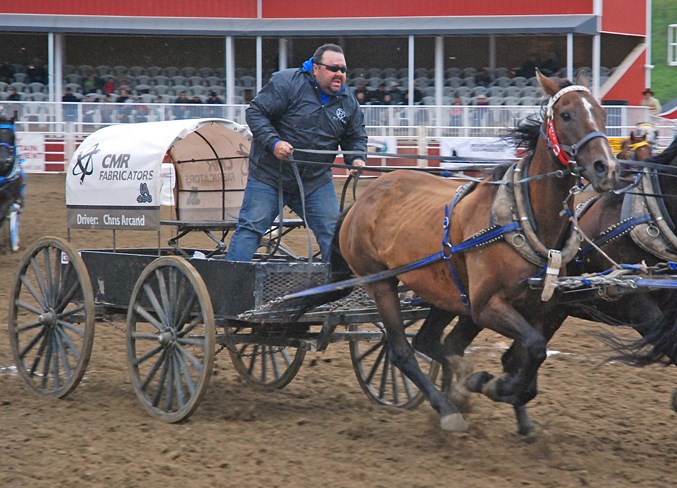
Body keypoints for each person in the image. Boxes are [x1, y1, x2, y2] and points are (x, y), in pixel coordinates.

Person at [226, 43, 367, 263]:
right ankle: (230, 287)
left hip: (314, 181)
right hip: (270, 176)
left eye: (343, 70)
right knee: (251, 228)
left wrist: (356, 158)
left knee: (333, 234)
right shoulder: (287, 82)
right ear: (316, 68)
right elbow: (256, 113)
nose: (339, 74)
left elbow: (355, 137)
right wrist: (274, 143)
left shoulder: (349, 102)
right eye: (333, 68)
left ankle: (338, 290)